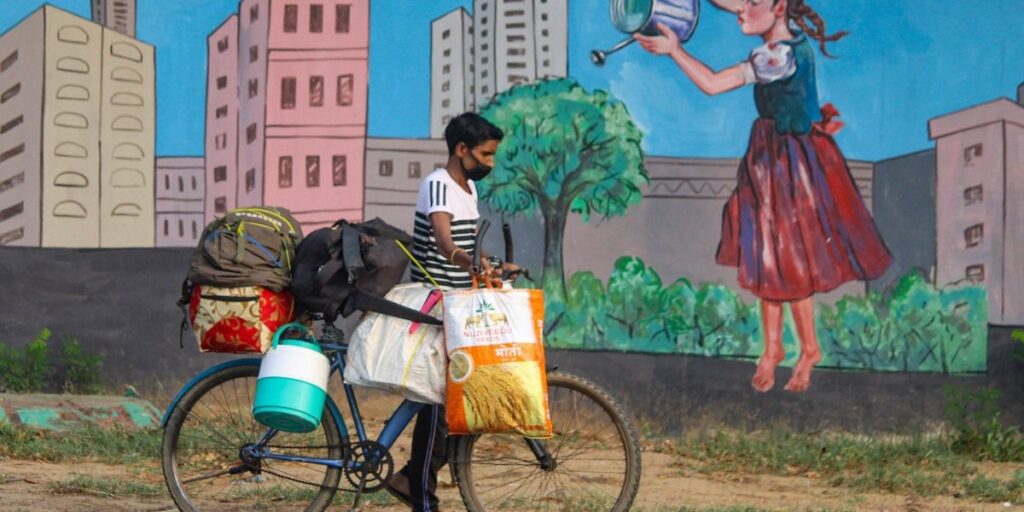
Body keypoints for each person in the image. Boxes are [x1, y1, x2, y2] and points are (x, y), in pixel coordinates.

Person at [634, 0, 891, 393]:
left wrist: (676, 51)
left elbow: (713, 84)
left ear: (780, 7)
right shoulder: (781, 41)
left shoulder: (778, 57)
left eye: (752, 4)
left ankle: (808, 349)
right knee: (767, 257)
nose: (740, 11)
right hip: (768, 160)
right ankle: (773, 348)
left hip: (791, 165)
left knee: (791, 258)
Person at [385, 112, 516, 511]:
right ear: (462, 150)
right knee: (440, 402)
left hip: (459, 303)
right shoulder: (438, 184)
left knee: (452, 402)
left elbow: (465, 247)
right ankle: (420, 492)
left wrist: (491, 265)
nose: (490, 163)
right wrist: (469, 262)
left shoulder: (468, 190)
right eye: (485, 154)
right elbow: (445, 242)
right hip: (436, 303)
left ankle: (412, 478)